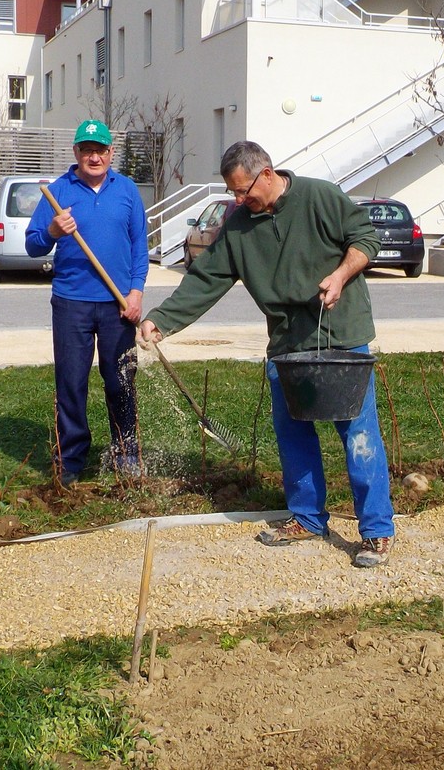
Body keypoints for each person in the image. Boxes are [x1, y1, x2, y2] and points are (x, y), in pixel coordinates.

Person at [138, 140, 397, 568]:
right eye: (234, 194)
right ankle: (307, 517)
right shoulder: (239, 226)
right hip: (287, 342)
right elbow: (206, 280)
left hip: (341, 333)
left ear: (268, 174)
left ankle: (376, 530)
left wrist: (340, 274)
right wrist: (162, 320)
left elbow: (364, 239)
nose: (239, 201)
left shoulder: (320, 197)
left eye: (244, 191)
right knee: (293, 431)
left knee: (358, 433)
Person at [26, 119, 148, 484]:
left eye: (100, 150)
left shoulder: (126, 191)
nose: (94, 157)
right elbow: (33, 245)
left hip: (117, 305)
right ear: (76, 153)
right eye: (87, 150)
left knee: (120, 381)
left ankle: (127, 454)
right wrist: (52, 230)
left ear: (111, 153)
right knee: (72, 383)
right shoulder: (59, 192)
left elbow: (140, 248)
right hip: (71, 303)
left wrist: (136, 292)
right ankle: (72, 460)